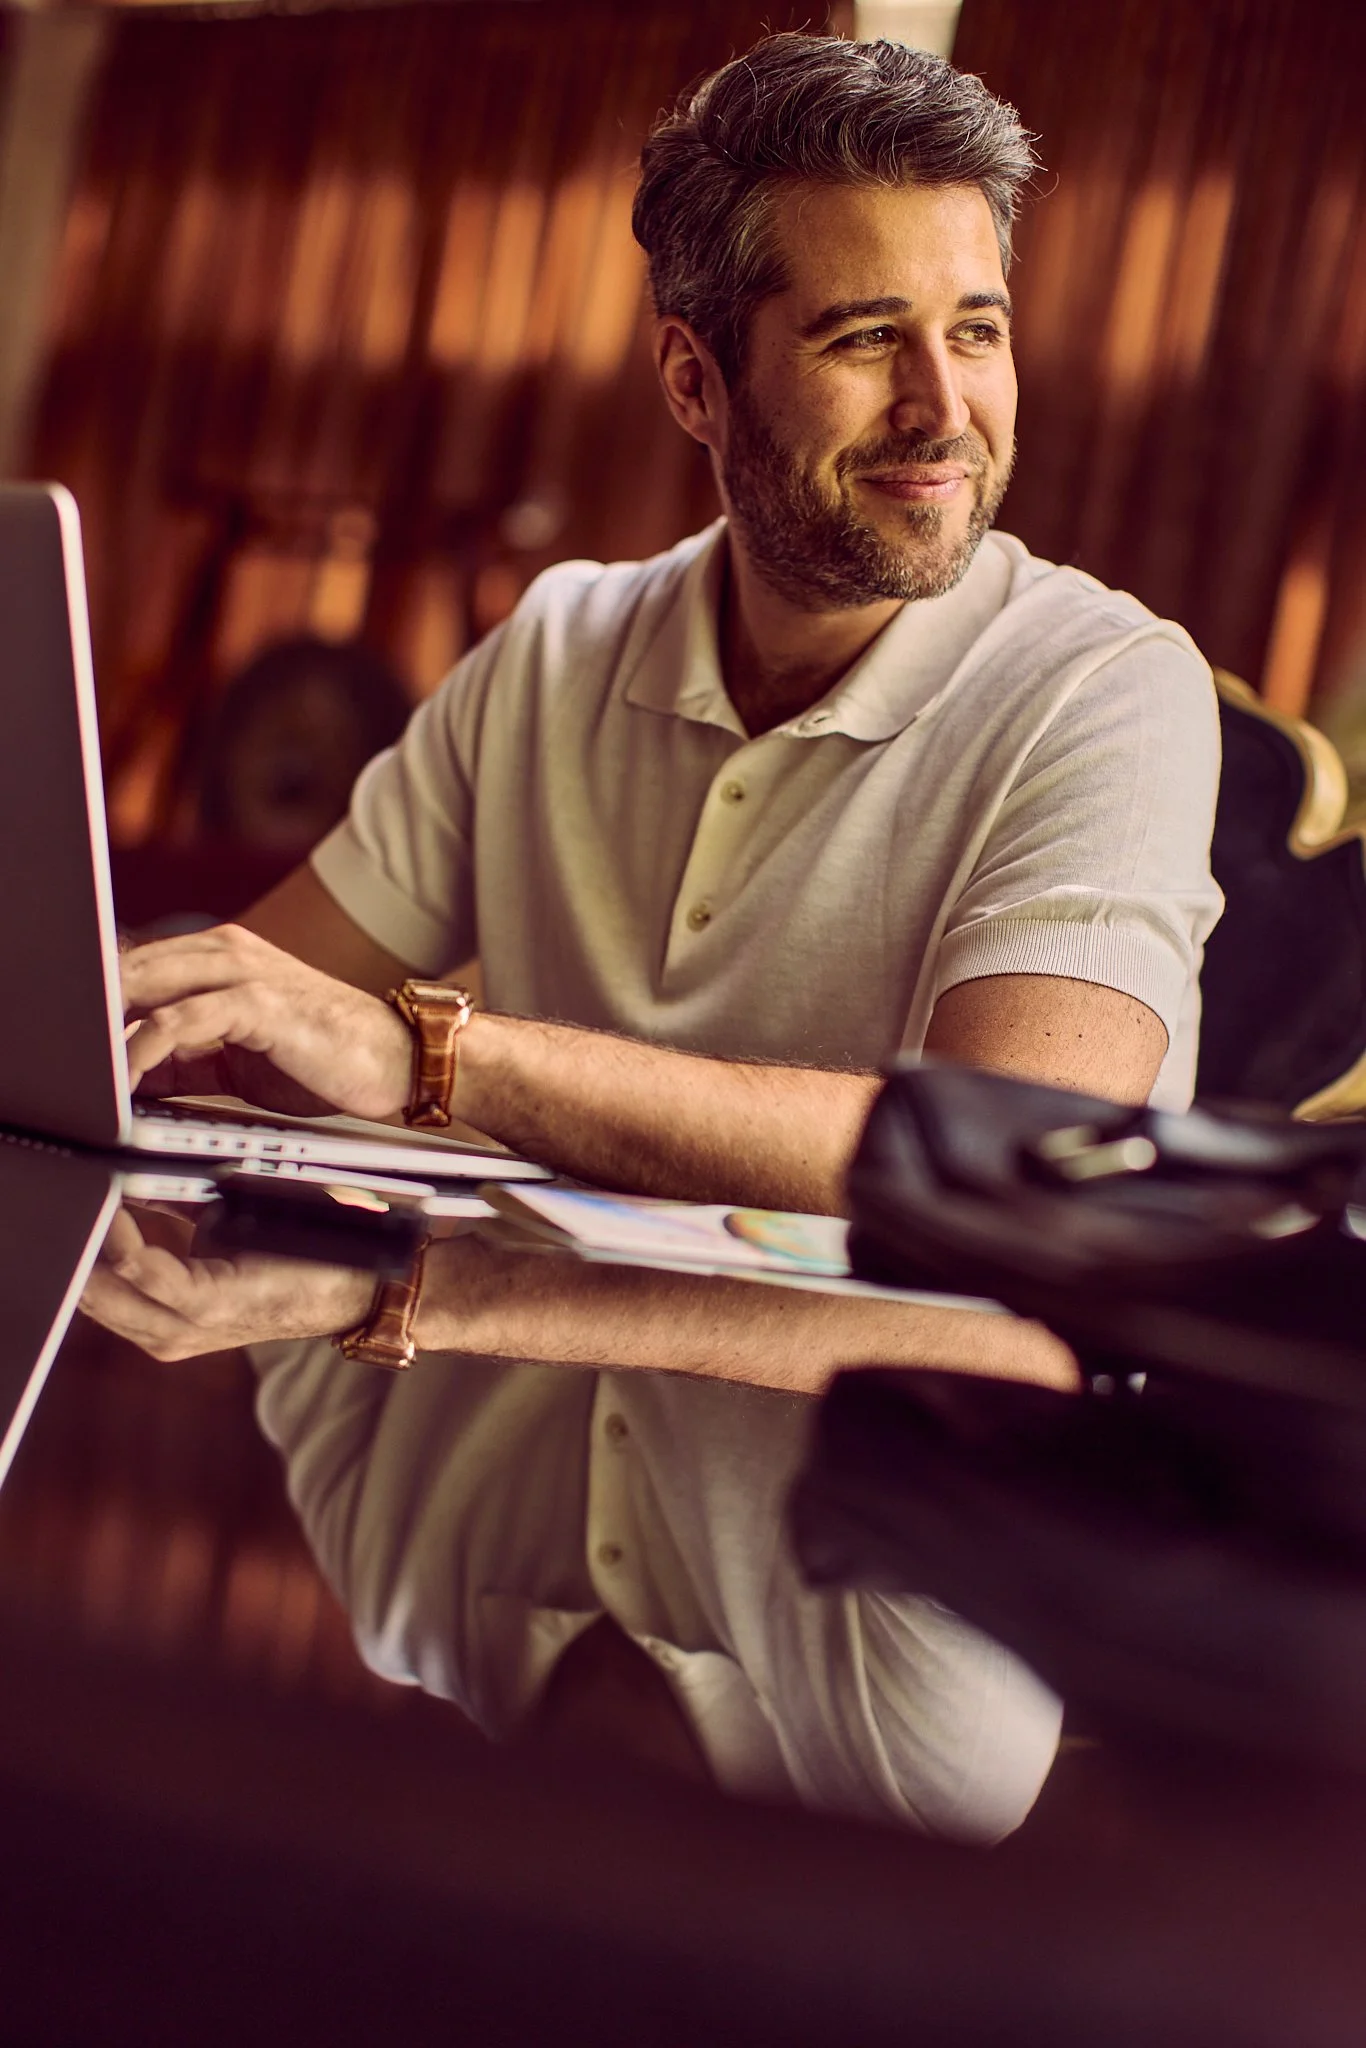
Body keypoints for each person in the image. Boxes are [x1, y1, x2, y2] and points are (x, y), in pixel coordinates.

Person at [85, 33, 1222, 1837]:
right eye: (866, 338)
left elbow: (1020, 1165)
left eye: (980, 327)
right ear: (695, 382)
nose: (947, 404)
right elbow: (250, 1008)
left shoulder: (1104, 689)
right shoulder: (553, 645)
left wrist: (432, 1061)